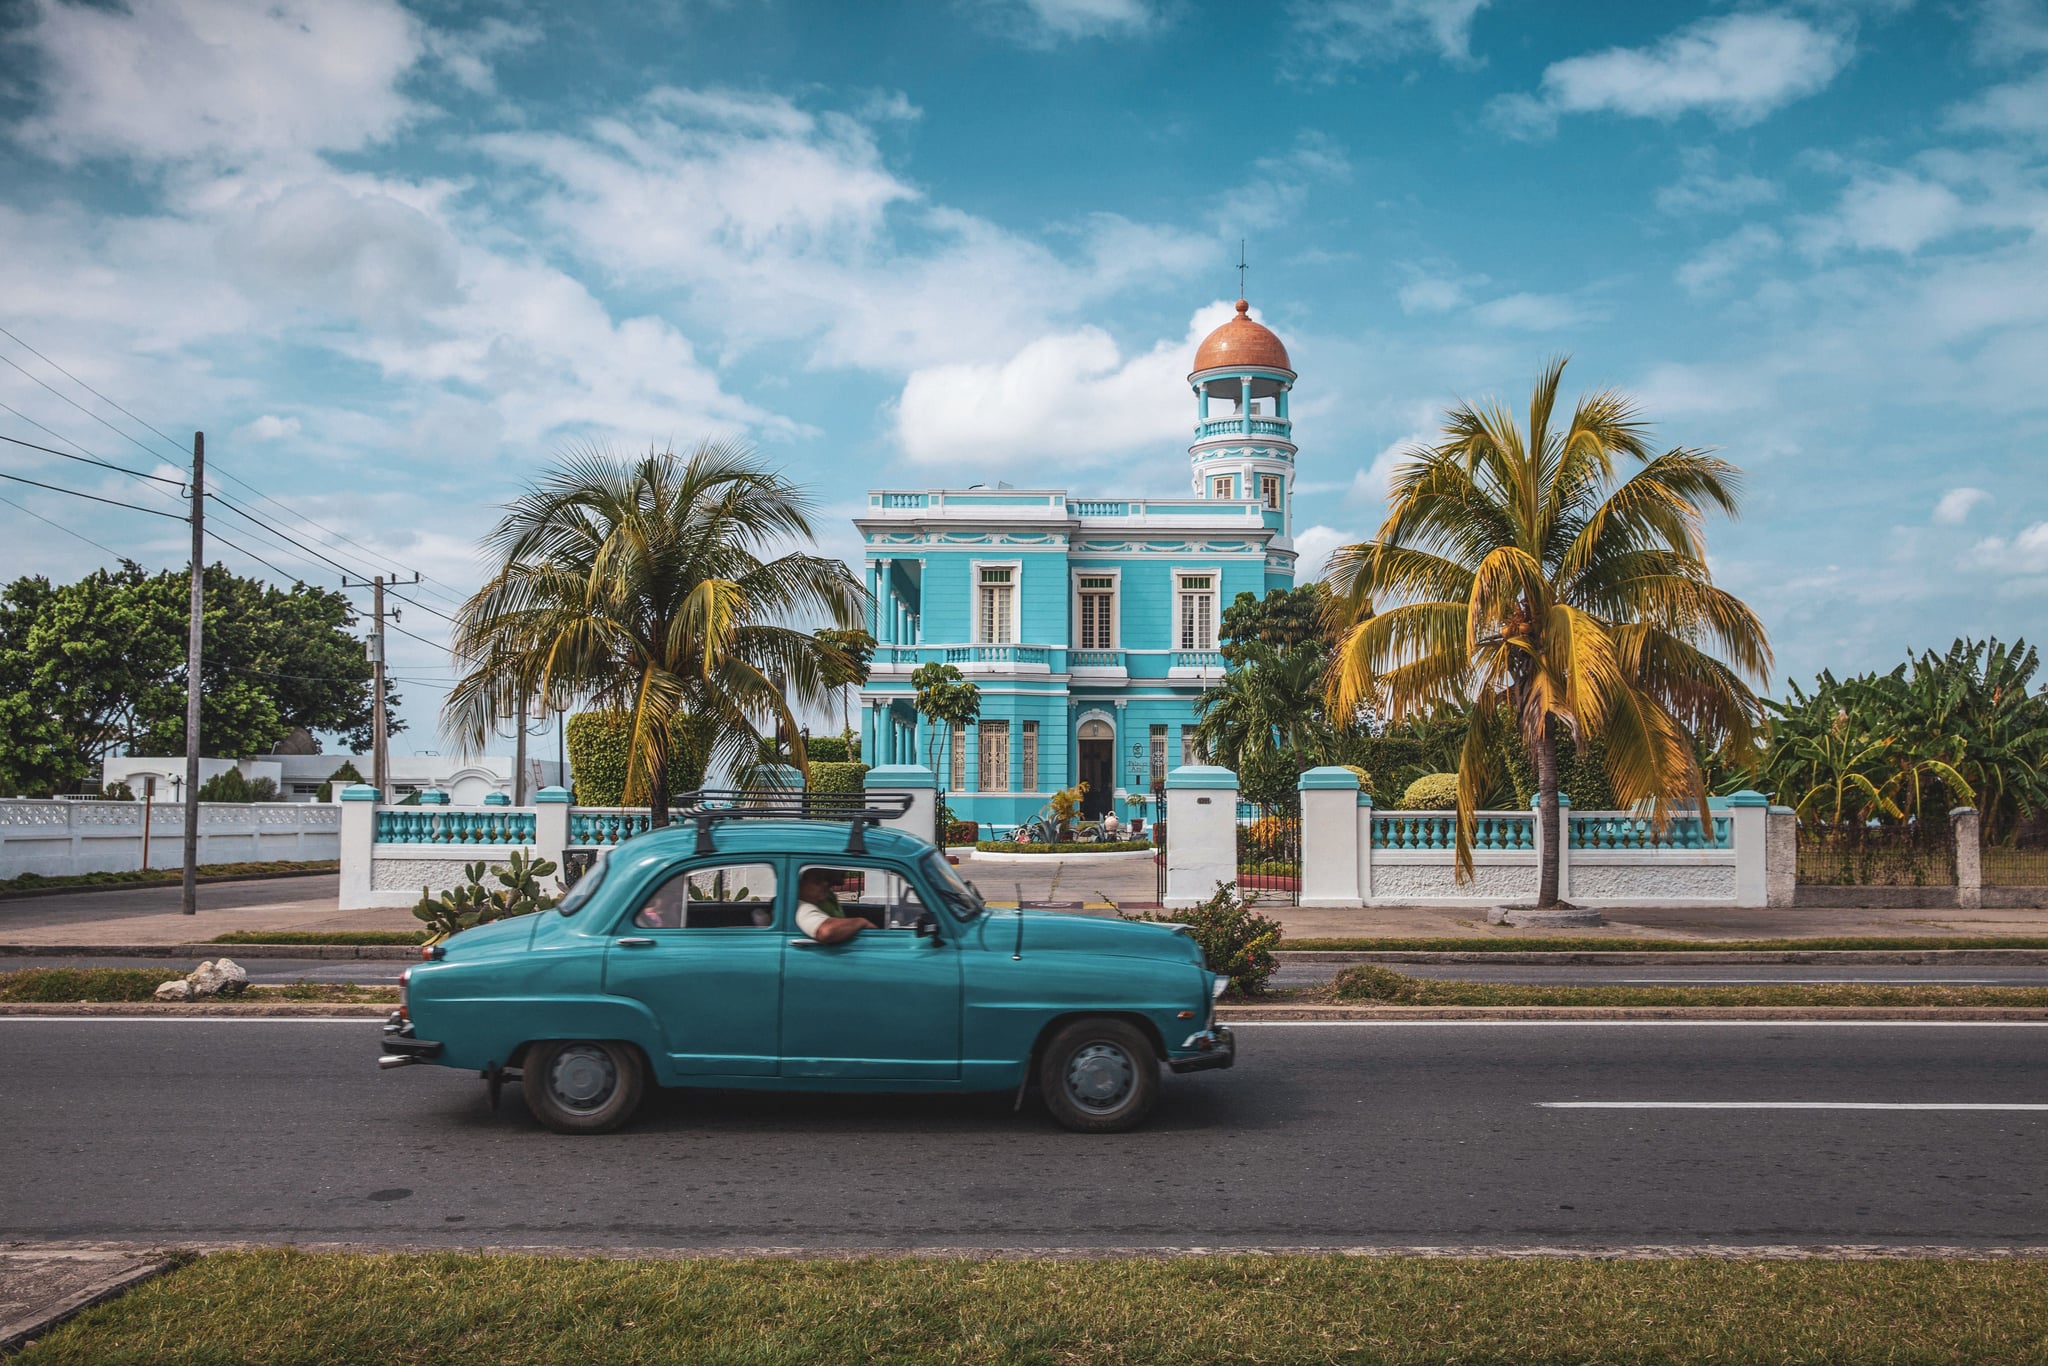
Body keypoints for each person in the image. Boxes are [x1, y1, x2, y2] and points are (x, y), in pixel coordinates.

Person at [795, 867, 865, 943]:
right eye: (817, 881)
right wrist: (861, 922)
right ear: (799, 886)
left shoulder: (827, 894)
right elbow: (826, 932)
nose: (825, 883)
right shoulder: (802, 907)